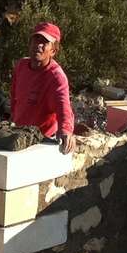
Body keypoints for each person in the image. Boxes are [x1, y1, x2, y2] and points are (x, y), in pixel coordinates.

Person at [10, 22, 75, 154]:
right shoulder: (21, 66)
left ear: (53, 51)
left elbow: (64, 106)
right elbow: (14, 97)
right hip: (18, 133)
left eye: (44, 42)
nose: (38, 45)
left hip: (41, 140)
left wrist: (66, 131)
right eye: (36, 40)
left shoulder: (56, 77)